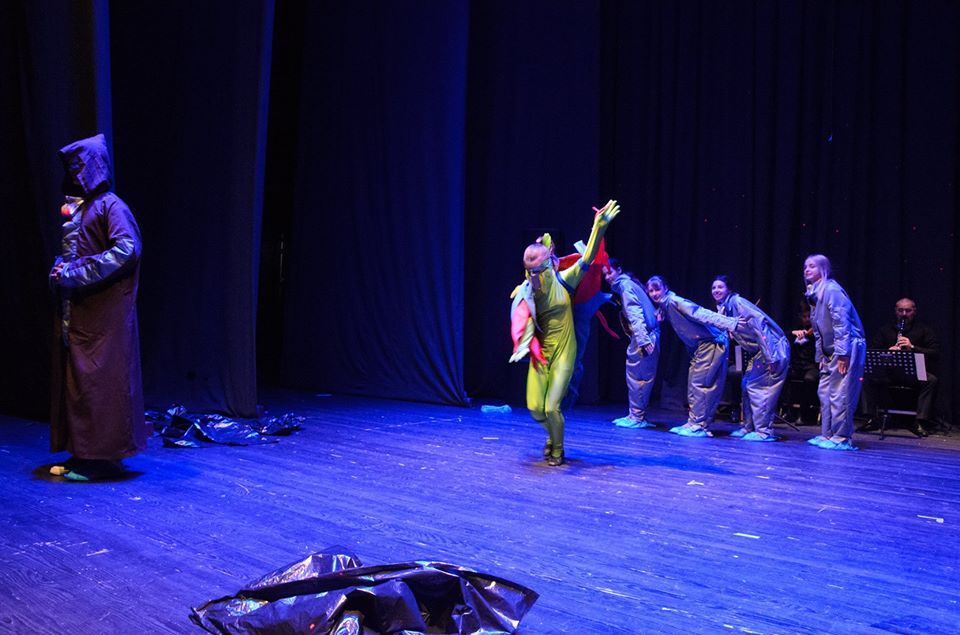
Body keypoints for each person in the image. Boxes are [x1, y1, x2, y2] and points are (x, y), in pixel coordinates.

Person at [48, 133, 148, 481]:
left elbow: (126, 250)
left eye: (78, 168)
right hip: (82, 313)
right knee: (80, 384)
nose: (73, 176)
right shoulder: (85, 207)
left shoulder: (111, 206)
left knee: (100, 384)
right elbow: (78, 252)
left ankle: (101, 460)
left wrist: (73, 272)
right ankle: (83, 454)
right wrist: (60, 269)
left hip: (104, 316)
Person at [510, 200, 620, 466]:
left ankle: (557, 448)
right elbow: (520, 318)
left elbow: (587, 258)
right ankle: (552, 435)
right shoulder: (526, 290)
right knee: (536, 410)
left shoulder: (564, 280)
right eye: (529, 270)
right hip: (542, 354)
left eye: (538, 269)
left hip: (564, 351)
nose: (533, 274)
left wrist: (599, 228)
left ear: (549, 262)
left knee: (551, 407)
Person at [645, 276, 741, 437]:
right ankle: (694, 421)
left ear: (665, 288)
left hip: (711, 343)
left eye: (657, 289)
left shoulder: (675, 301)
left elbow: (700, 313)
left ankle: (700, 425)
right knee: (694, 384)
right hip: (702, 345)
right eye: (651, 291)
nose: (654, 293)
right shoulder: (666, 304)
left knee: (702, 385)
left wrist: (731, 323)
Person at [711, 276, 789, 441]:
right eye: (714, 288)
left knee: (760, 389)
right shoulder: (725, 308)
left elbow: (760, 327)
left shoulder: (738, 303)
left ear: (729, 289)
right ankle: (749, 427)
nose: (716, 290)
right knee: (746, 385)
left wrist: (771, 357)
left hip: (773, 348)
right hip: (759, 351)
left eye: (720, 287)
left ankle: (764, 431)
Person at [803, 254, 865, 451]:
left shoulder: (831, 290)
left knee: (841, 393)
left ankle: (842, 436)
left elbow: (841, 323)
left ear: (823, 269)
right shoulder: (814, 293)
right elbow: (817, 328)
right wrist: (820, 355)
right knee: (825, 392)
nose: (807, 269)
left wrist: (843, 354)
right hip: (830, 350)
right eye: (805, 266)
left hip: (847, 345)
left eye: (812, 266)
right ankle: (827, 433)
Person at [862, 297, 940, 436]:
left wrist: (912, 347)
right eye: (900, 310)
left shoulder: (924, 330)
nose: (904, 314)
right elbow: (872, 350)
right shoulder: (885, 330)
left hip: (913, 373)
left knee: (931, 380)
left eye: (908, 311)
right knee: (866, 377)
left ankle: (920, 421)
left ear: (914, 311)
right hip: (889, 373)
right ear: (895, 311)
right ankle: (872, 418)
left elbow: (935, 353)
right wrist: (887, 352)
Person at [603, 258, 659, 429]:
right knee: (638, 376)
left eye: (610, 272)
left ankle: (637, 417)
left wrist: (642, 339)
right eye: (605, 275)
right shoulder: (627, 285)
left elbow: (635, 312)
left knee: (638, 377)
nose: (607, 277)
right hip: (646, 334)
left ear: (619, 270)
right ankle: (635, 414)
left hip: (644, 335)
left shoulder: (626, 286)